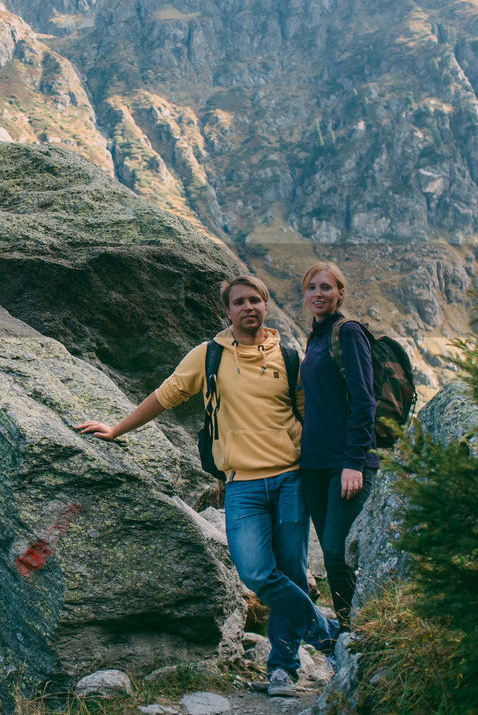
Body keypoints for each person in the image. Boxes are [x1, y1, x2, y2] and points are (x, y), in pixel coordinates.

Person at [76, 275, 338, 697]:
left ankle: (283, 670)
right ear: (227, 311)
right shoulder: (209, 356)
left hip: (291, 480)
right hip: (242, 485)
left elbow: (310, 416)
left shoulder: (290, 356)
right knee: (256, 572)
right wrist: (118, 429)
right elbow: (166, 395)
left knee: (290, 572)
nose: (248, 307)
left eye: (256, 300)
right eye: (239, 302)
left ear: (266, 306)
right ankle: (330, 636)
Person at [298, 262, 378, 630]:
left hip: (345, 463)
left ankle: (355, 633)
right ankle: (350, 632)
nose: (318, 294)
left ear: (340, 293)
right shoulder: (315, 337)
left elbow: (364, 401)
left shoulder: (348, 333)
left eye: (326, 288)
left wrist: (354, 462)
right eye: (312, 288)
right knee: (332, 560)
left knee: (336, 554)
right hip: (313, 465)